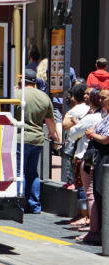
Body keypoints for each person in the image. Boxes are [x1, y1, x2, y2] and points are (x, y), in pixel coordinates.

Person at [14, 68, 60, 214]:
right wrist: (53, 134)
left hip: (20, 139)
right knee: (32, 172)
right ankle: (34, 205)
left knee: (18, 172)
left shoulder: (16, 94)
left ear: (22, 80)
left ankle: (19, 204)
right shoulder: (44, 97)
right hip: (37, 140)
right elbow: (50, 121)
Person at [68, 88, 103, 239]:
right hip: (99, 157)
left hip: (87, 156)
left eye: (89, 94)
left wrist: (77, 122)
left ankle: (92, 228)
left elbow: (73, 133)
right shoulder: (103, 116)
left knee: (90, 192)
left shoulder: (92, 118)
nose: (85, 96)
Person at [79, 89, 109, 244]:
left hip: (100, 157)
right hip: (91, 155)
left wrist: (91, 134)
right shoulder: (103, 116)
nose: (101, 100)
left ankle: (95, 231)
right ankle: (94, 229)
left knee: (94, 192)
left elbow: (105, 139)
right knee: (90, 190)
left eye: (103, 98)